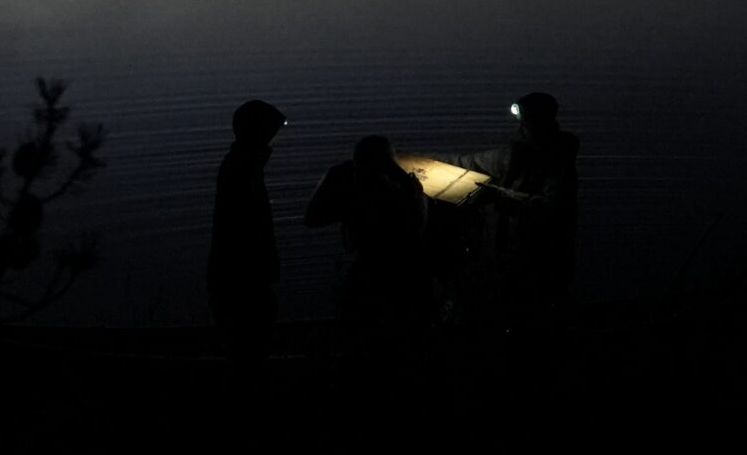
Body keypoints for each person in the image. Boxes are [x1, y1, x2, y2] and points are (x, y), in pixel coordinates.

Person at [433, 91, 579, 322]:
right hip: (507, 259)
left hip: (542, 266)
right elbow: (467, 162)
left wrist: (502, 196)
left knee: (534, 318)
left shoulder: (559, 166)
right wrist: (418, 160)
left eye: (527, 125)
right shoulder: (512, 156)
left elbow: (552, 212)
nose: (520, 130)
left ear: (541, 125)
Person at [304, 134, 428, 326]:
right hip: (407, 272)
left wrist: (336, 180)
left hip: (373, 269)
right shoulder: (409, 187)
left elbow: (312, 217)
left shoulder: (366, 193)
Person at [208, 99, 286, 372]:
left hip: (237, 279)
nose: (274, 136)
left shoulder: (244, 165)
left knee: (245, 346)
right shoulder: (242, 170)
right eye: (273, 129)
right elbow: (247, 228)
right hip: (243, 280)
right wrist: (264, 268)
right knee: (249, 349)